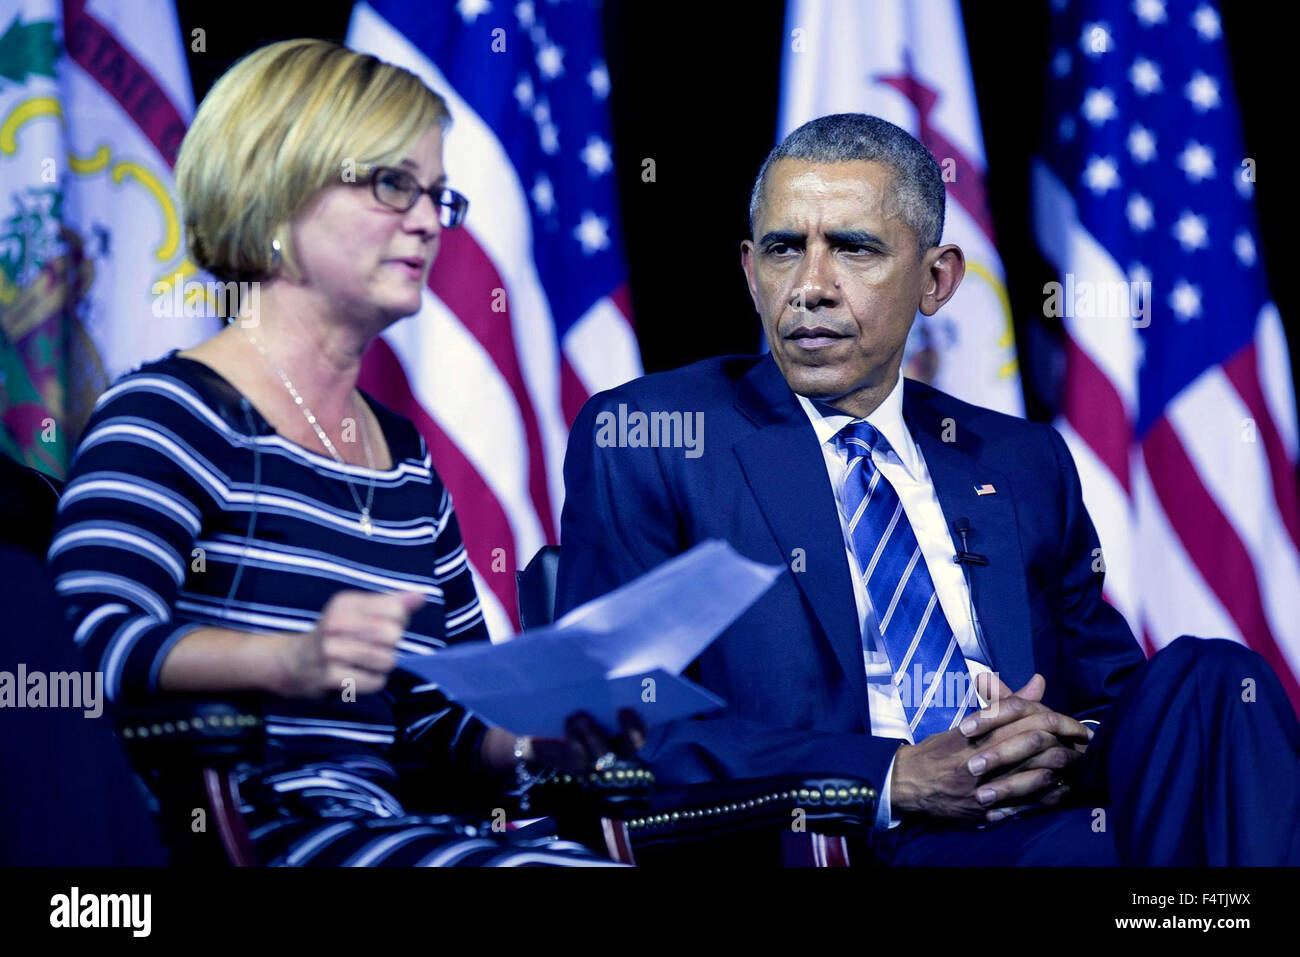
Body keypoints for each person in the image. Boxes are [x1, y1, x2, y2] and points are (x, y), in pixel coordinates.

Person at [556, 113, 1300, 865]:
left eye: (853, 248)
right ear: (751, 272)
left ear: (936, 279)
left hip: (1044, 818)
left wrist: (1063, 742)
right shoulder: (653, 438)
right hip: (855, 841)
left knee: (1216, 679)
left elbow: (1114, 700)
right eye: (785, 249)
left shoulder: (1018, 459)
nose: (811, 287)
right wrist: (893, 777)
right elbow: (613, 730)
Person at [47, 39, 640, 867]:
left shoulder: (403, 459)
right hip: (255, 833)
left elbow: (447, 716)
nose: (430, 222)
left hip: (406, 832)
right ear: (278, 187)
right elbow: (75, 656)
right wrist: (287, 660)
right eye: (394, 184)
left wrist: (546, 739)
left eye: (439, 195)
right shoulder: (168, 415)